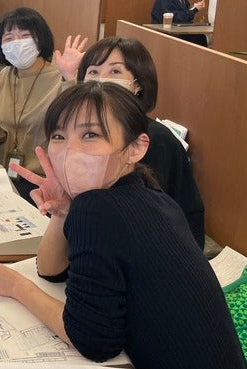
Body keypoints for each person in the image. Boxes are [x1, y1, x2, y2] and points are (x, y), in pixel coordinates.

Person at [0, 82, 247, 369]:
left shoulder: (100, 209)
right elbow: (50, 270)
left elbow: (92, 340)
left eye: (90, 135)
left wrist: (16, 286)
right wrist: (62, 212)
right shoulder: (148, 194)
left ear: (135, 148)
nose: (70, 150)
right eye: (59, 136)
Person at [77, 36, 205, 248]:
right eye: (93, 72)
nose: (101, 80)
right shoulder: (84, 131)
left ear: (137, 85)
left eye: (115, 71)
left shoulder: (155, 140)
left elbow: (146, 221)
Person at [0, 8, 86, 200]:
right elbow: (8, 120)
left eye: (25, 36)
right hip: (6, 172)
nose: (16, 43)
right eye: (8, 38)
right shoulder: (6, 74)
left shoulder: (59, 77)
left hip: (45, 180)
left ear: (40, 39)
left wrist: (69, 78)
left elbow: (75, 121)